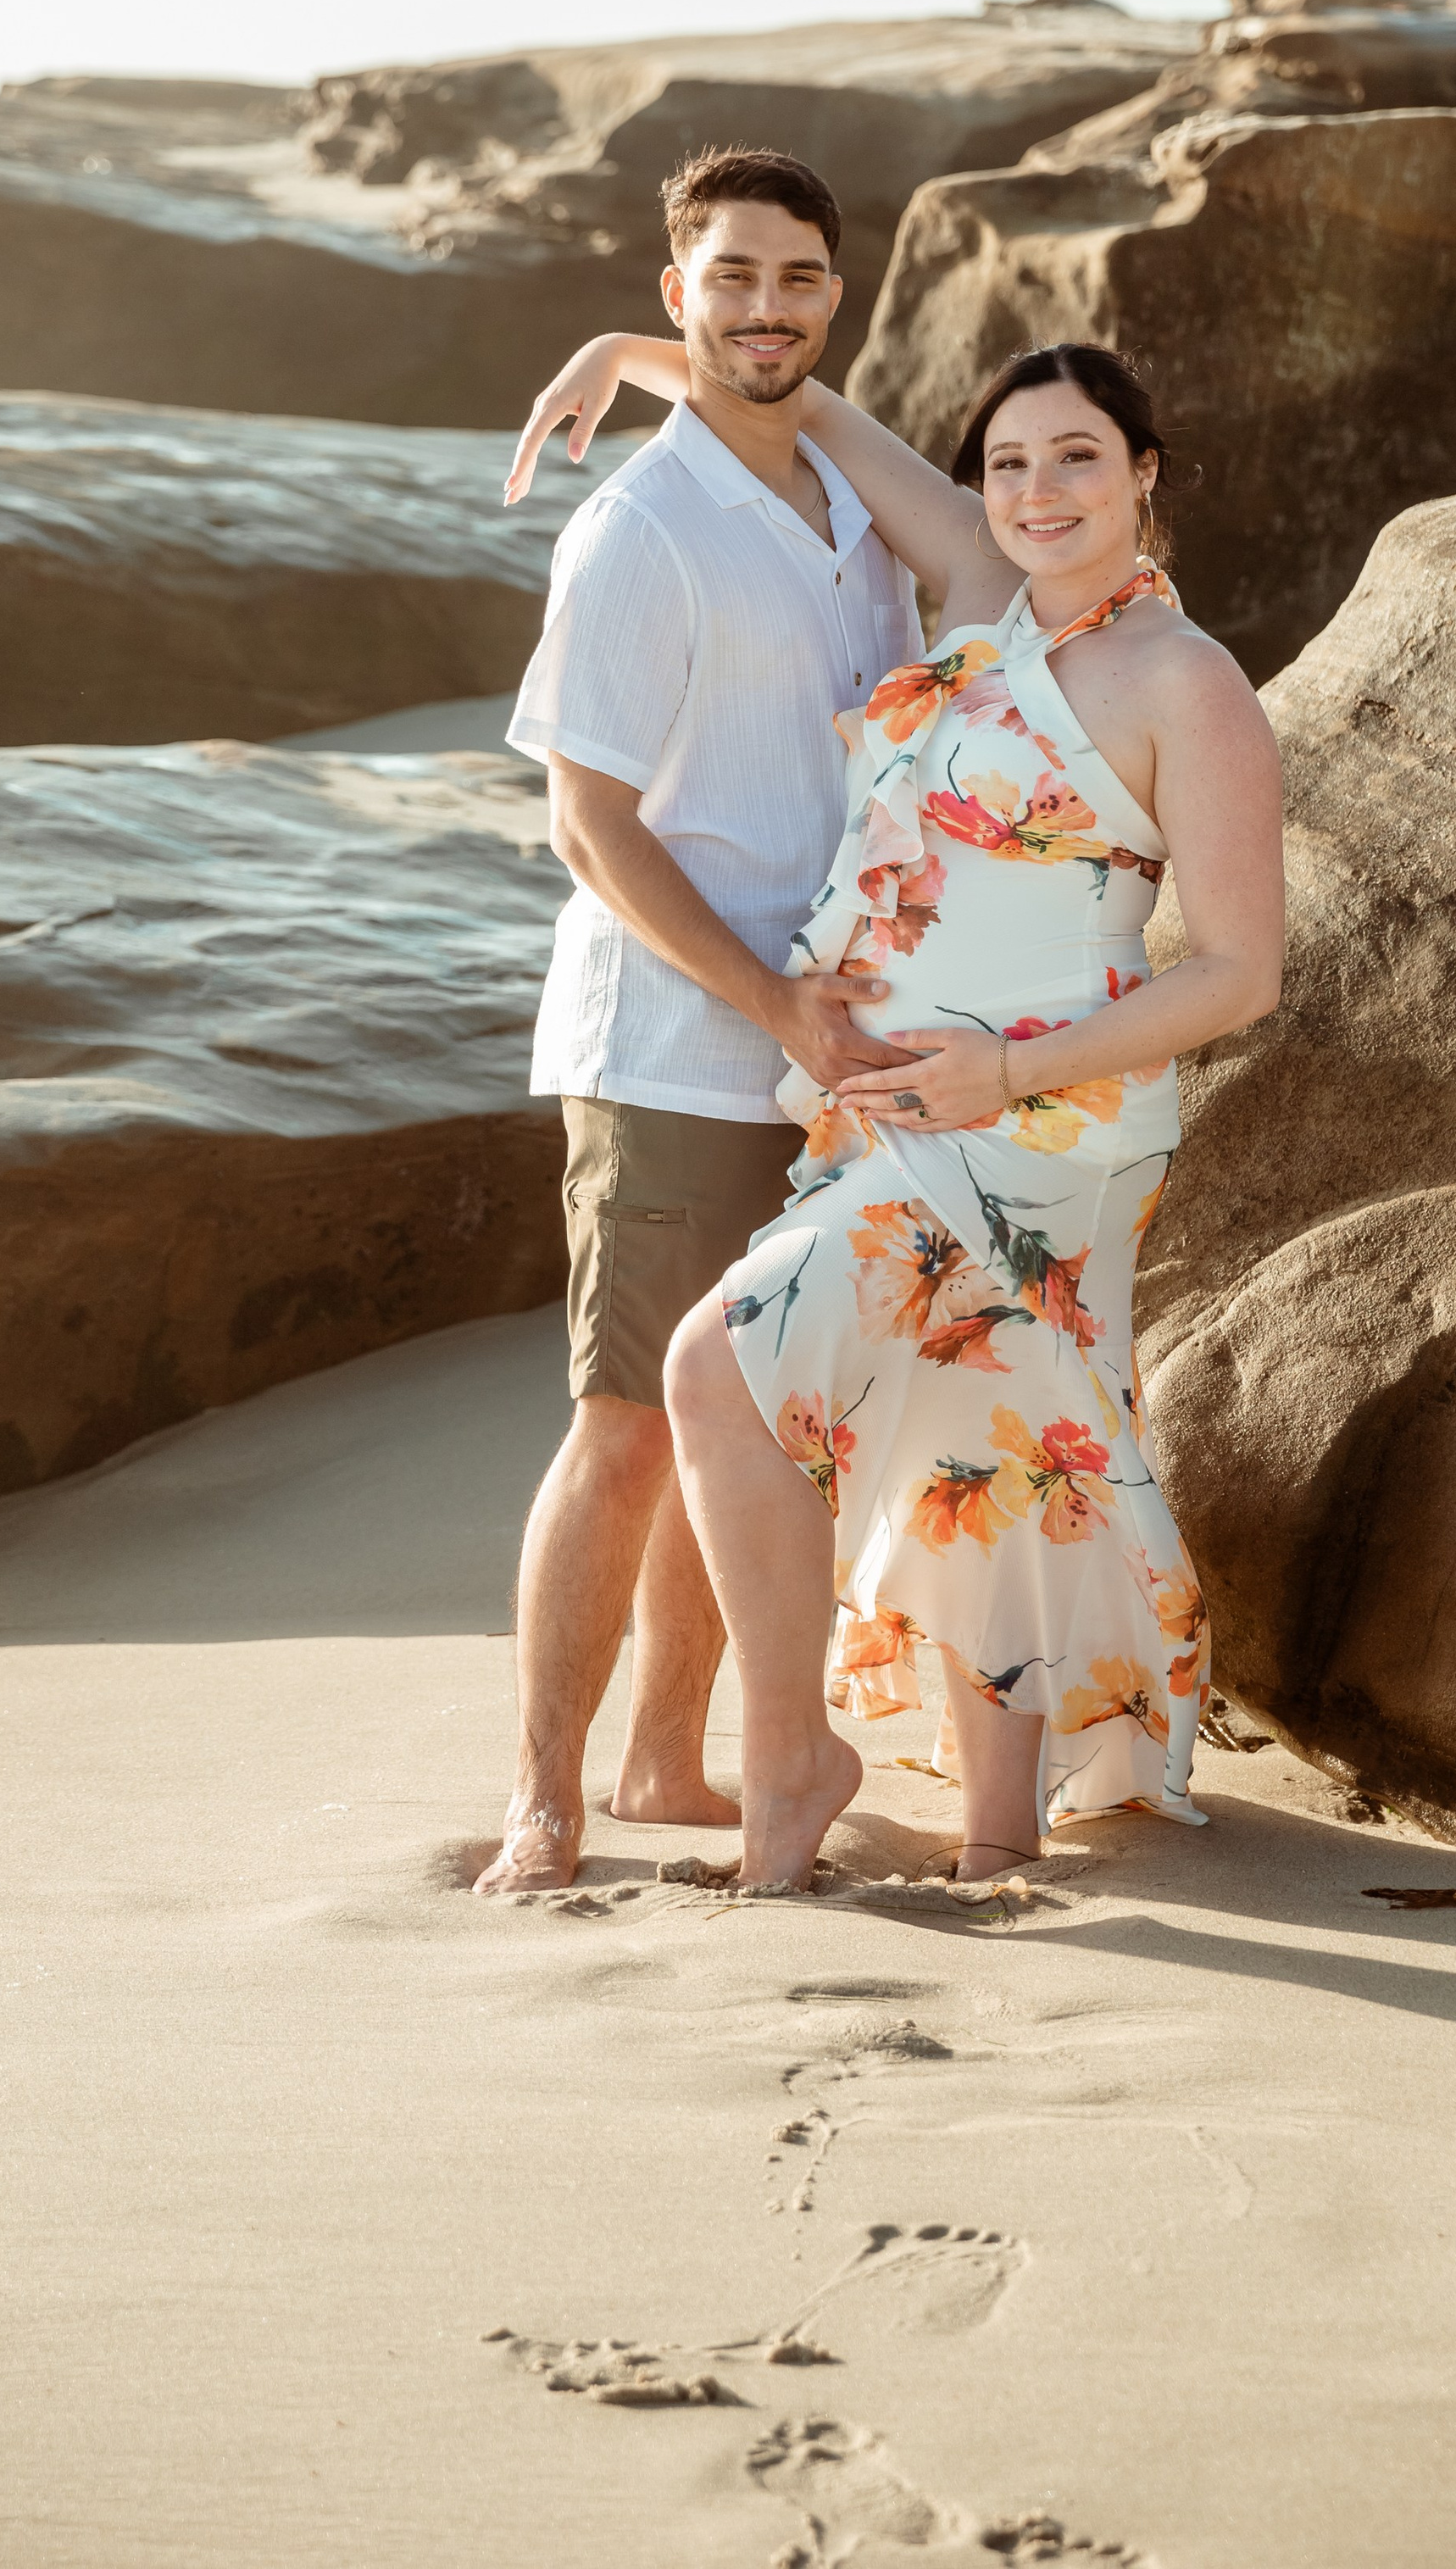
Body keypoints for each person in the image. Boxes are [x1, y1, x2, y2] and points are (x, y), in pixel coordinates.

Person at [512, 332, 1283, 1887]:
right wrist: (647, 354)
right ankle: (998, 1837)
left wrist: (1004, 1073)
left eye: (1077, 457)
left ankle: (793, 1757)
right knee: (980, 1436)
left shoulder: (1184, 681)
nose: (1036, 489)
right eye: (1006, 464)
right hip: (896, 1113)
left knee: (712, 1370)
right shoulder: (993, 616)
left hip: (1048, 1126)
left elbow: (1241, 974)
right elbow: (820, 413)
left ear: (1145, 473)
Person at [472, 145, 924, 1896]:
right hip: (672, 1047)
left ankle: (670, 1767)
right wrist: (768, 1005)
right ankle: (545, 1804)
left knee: (739, 1418)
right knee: (625, 1428)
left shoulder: (846, 498)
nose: (765, 307)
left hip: (826, 1055)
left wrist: (825, 1020)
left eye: (796, 276)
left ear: (835, 296)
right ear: (678, 294)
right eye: (726, 278)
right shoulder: (637, 529)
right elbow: (589, 827)